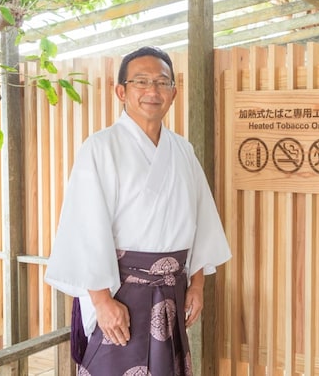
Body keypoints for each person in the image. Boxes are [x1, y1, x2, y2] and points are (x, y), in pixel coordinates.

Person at [45, 46, 231, 375]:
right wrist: (102, 301)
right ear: (121, 91)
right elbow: (85, 229)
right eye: (141, 82)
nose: (152, 91)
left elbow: (202, 222)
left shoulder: (182, 150)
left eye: (162, 82)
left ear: (173, 93)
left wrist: (198, 286)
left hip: (172, 291)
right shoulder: (100, 148)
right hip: (120, 293)